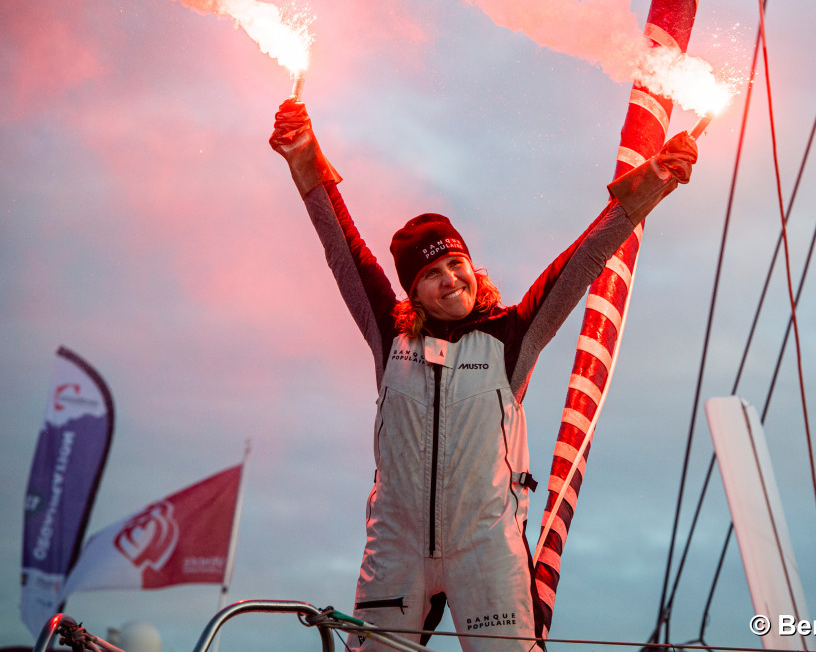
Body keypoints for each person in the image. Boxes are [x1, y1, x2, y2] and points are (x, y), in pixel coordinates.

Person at [270, 98, 697, 651]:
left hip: (488, 553)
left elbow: (586, 257)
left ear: (471, 266)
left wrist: (655, 181)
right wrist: (302, 151)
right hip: (395, 552)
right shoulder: (389, 333)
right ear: (412, 292)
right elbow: (340, 245)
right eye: (431, 274)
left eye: (455, 263)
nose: (450, 279)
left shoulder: (512, 335)